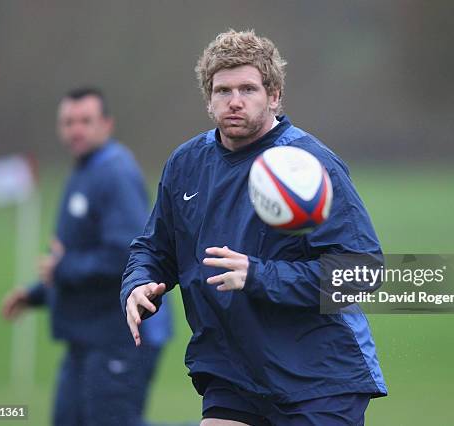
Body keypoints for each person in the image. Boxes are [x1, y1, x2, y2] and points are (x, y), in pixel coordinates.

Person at [121, 30, 387, 426]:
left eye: (248, 88)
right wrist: (139, 282)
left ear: (274, 95)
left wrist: (259, 275)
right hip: (233, 374)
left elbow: (363, 271)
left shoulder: (308, 165)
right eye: (223, 90)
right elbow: (154, 248)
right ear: (209, 100)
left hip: (318, 381)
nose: (235, 101)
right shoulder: (186, 165)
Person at [1, 87, 173, 426]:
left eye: (85, 121)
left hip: (122, 334)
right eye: (68, 121)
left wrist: (63, 267)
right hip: (87, 335)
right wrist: (36, 294)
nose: (75, 129)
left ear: (106, 124)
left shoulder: (114, 173)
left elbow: (128, 255)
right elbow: (78, 259)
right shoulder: (84, 170)